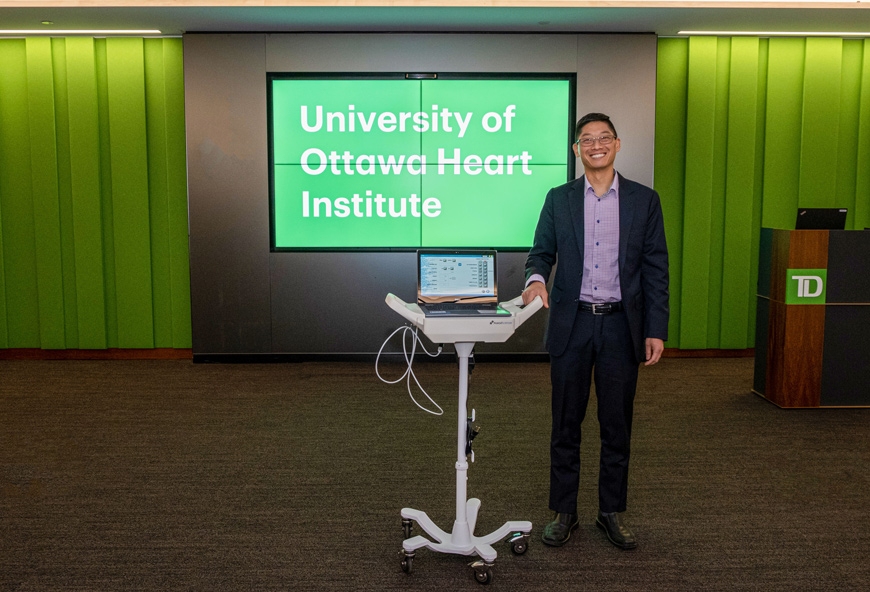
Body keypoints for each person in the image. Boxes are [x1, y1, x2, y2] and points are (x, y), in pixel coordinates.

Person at [522, 112, 669, 550]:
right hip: (573, 324)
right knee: (565, 424)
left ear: (617, 145)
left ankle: (611, 512)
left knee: (616, 425)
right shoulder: (559, 198)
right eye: (587, 139)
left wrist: (655, 328)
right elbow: (540, 253)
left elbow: (656, 268)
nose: (596, 144)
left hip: (622, 328)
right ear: (577, 150)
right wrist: (534, 280)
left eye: (604, 137)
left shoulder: (644, 200)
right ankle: (563, 512)